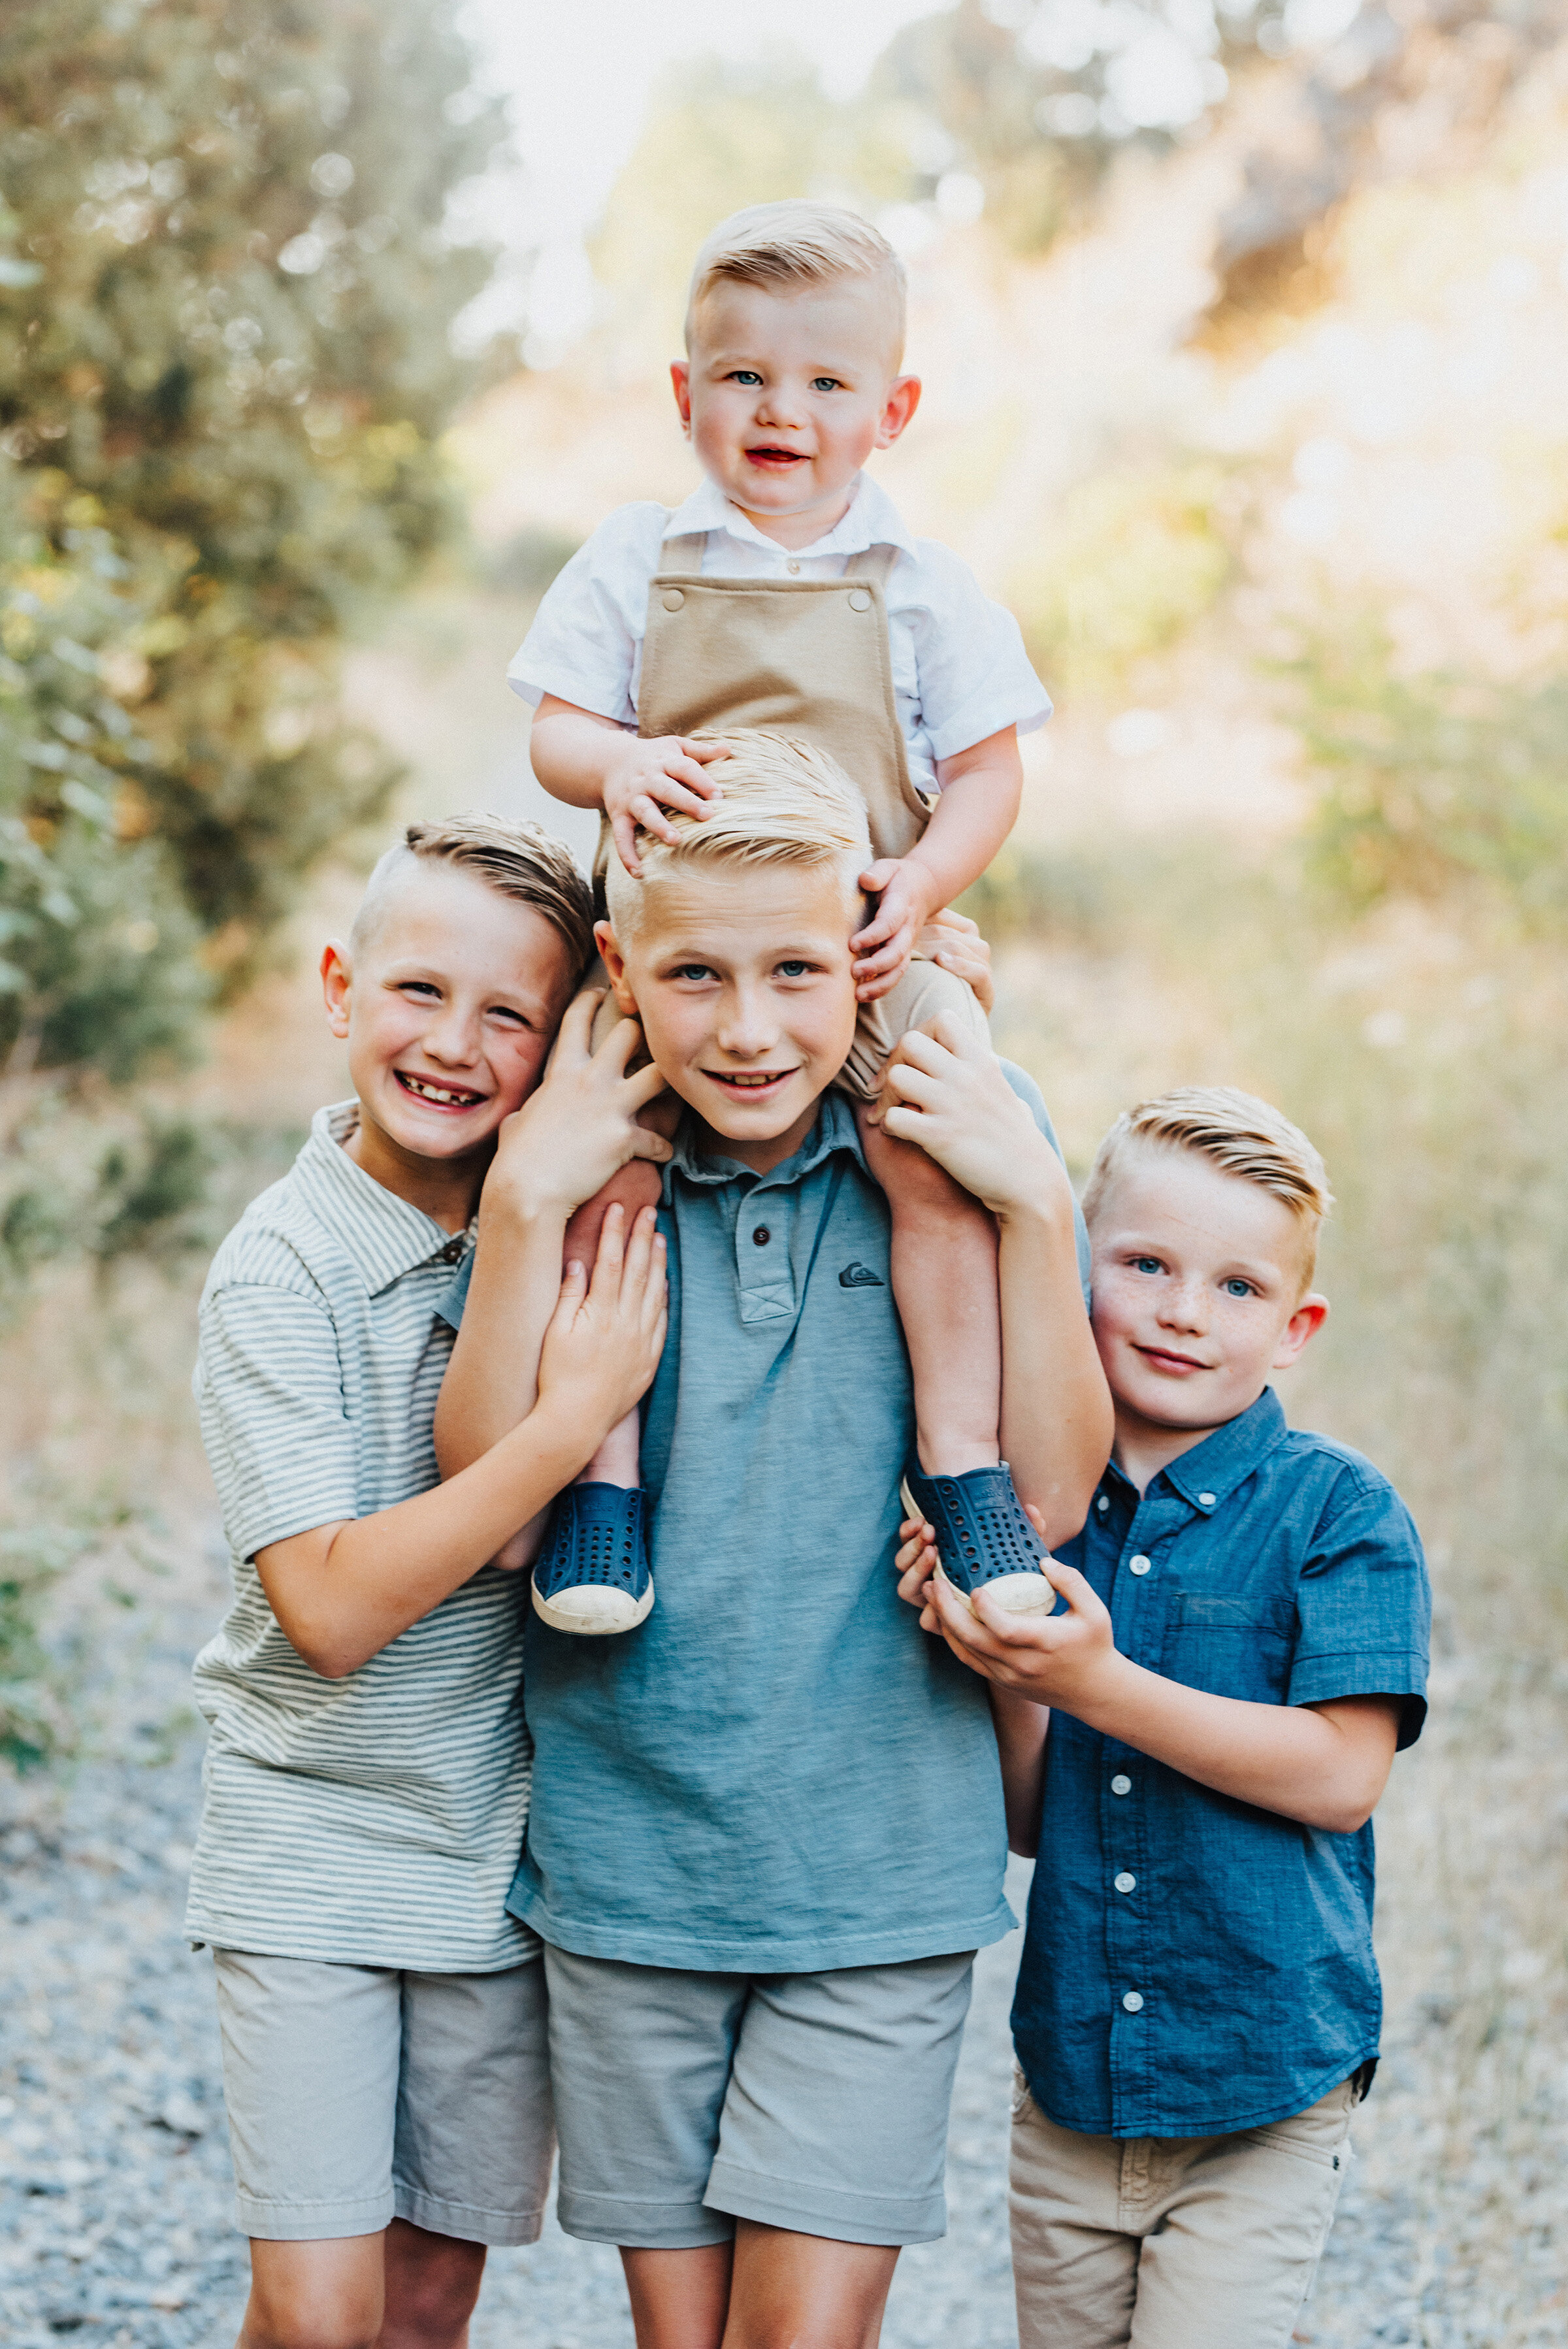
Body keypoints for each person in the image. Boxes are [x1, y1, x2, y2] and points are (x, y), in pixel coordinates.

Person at [433, 738, 1111, 2349]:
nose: (749, 1029)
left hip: (879, 1869)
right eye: (698, 975)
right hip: (631, 1864)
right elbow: (493, 1520)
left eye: (798, 969)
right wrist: (524, 1205)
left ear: (868, 950)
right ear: (622, 972)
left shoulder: (957, 1137)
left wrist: (1036, 1202)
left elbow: (1054, 1496)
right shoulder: (574, 1162)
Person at [510, 196, 1058, 1630]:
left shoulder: (923, 589)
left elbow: (990, 774)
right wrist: (617, 763)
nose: (782, 411)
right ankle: (603, 1487)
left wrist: (923, 884)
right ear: (685, 391)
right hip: (674, 958)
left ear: (893, 411)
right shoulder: (639, 557)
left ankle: (964, 1466)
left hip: (856, 949)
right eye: (744, 374)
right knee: (605, 1155)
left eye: (826, 382)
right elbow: (557, 730)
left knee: (935, 1150)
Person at [184, 815, 671, 2349]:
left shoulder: (577, 1228)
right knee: (316, 2313)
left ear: (567, 1045)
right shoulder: (283, 1269)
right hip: (313, 1840)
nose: (454, 1044)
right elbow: (328, 1611)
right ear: (340, 986)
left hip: (496, 1860)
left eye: (508, 1015)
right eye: (418, 991)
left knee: (423, 2302)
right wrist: (568, 1424)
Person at [897, 1087, 1432, 2349]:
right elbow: (1037, 1821)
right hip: (1075, 2090)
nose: (1185, 1312)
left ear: (1295, 1329)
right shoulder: (1035, 1515)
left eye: (1238, 1288)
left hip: (1261, 2090)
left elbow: (1342, 1777)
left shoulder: (1337, 1511)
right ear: (1076, 1269)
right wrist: (1001, 1663)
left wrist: (1095, 1683)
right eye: (1145, 1266)